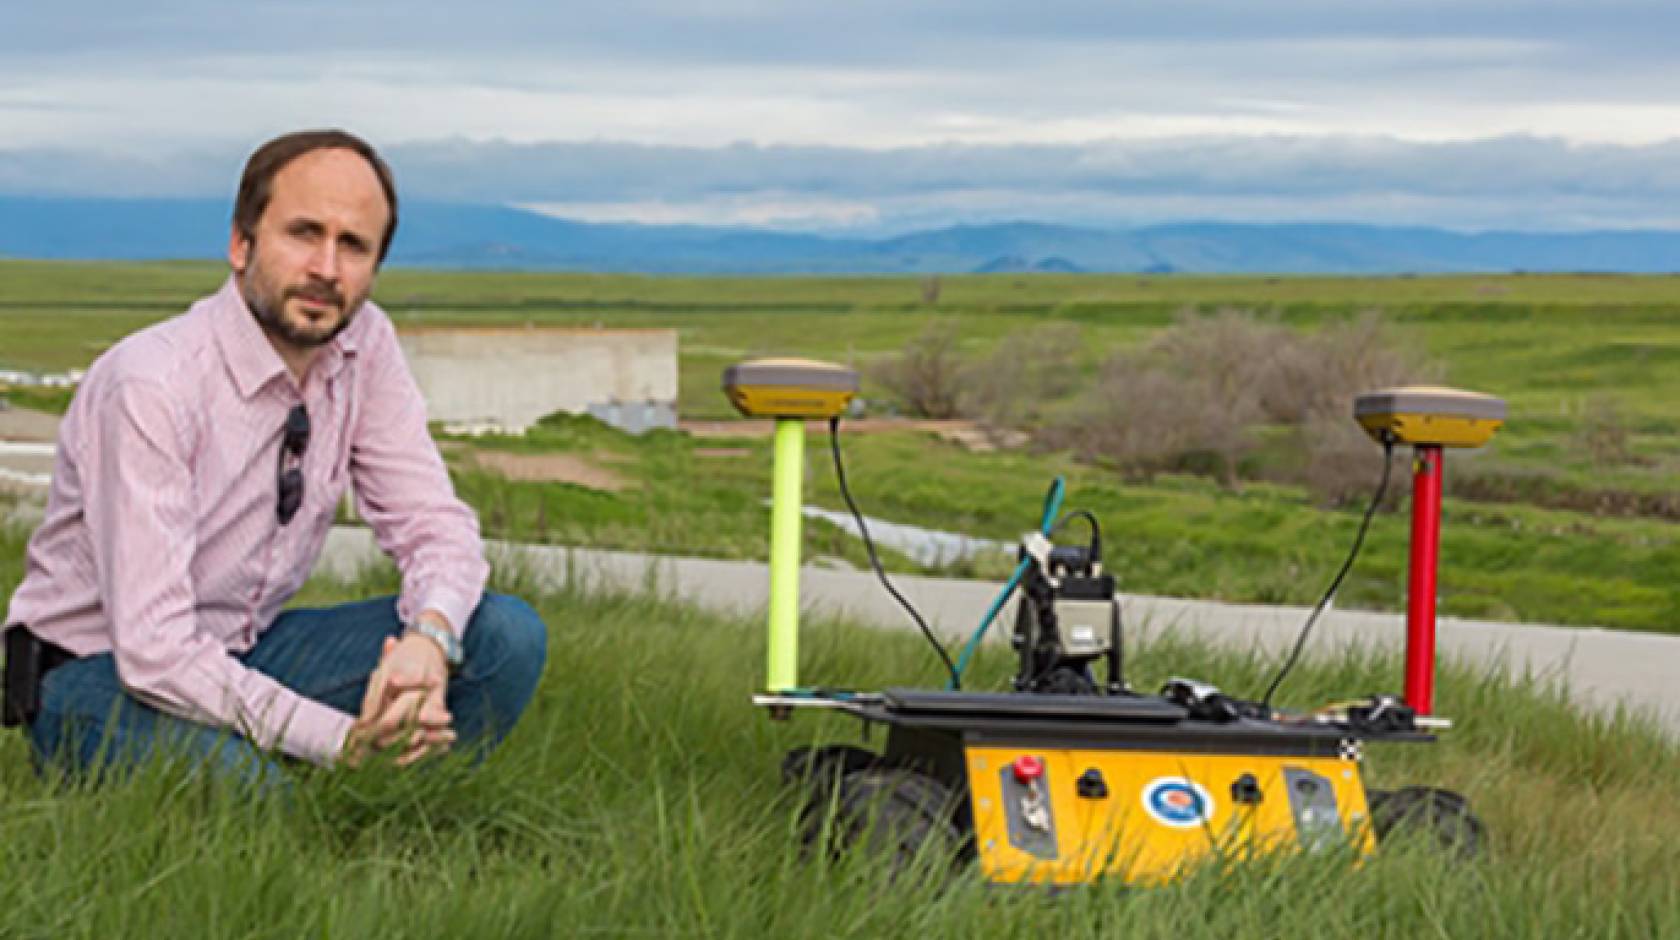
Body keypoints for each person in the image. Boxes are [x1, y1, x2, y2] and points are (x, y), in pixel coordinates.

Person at [2, 129, 547, 788]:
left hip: (250, 650)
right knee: (256, 802)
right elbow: (154, 650)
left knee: (504, 637)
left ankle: (403, 807)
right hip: (99, 677)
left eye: (353, 246)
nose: (326, 268)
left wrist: (429, 642)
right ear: (241, 244)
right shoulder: (152, 384)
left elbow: (435, 524)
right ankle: (315, 783)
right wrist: (338, 739)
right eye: (303, 233)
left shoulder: (364, 345)